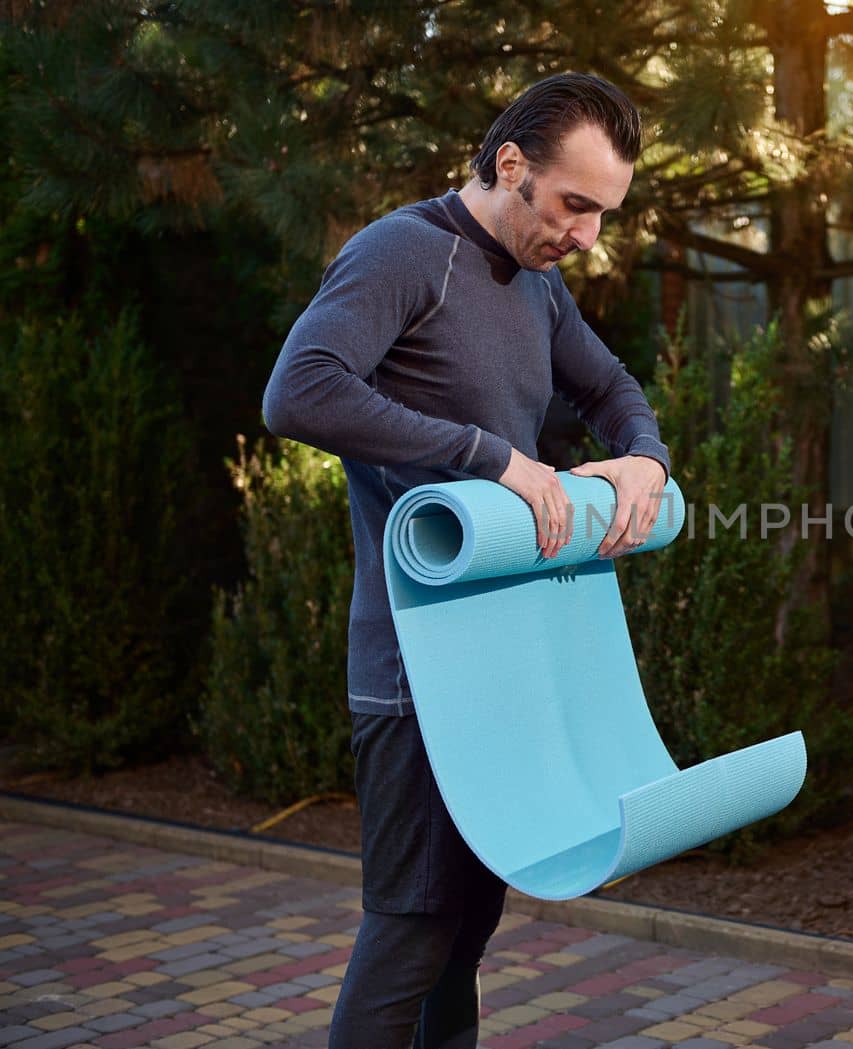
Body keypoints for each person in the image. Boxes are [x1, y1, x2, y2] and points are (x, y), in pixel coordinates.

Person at [261, 72, 671, 1049]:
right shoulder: (406, 252)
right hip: (414, 675)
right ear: (510, 165)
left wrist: (644, 460)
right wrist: (488, 456)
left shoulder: (540, 284)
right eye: (575, 206)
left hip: (503, 661)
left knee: (467, 929)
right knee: (413, 926)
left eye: (604, 215)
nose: (585, 237)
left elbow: (612, 389)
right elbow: (299, 391)